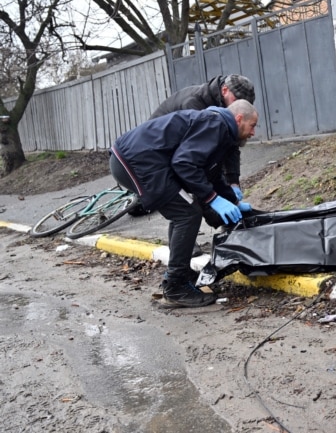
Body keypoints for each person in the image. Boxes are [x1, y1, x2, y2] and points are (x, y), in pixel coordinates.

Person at [109, 100, 258, 308]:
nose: (253, 133)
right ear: (239, 119)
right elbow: (184, 163)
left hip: (136, 159)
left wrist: (232, 202)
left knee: (184, 211)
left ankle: (181, 272)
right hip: (136, 161)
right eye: (252, 126)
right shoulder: (214, 125)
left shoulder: (220, 129)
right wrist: (212, 200)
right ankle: (175, 286)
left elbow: (211, 175)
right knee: (186, 214)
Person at [149, 74, 256, 256]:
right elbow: (192, 162)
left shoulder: (228, 112)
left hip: (184, 152)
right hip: (160, 150)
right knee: (183, 201)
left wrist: (233, 184)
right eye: (237, 100)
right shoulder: (195, 104)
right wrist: (214, 200)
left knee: (210, 187)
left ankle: (230, 227)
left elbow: (230, 147)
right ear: (224, 90)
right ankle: (183, 247)